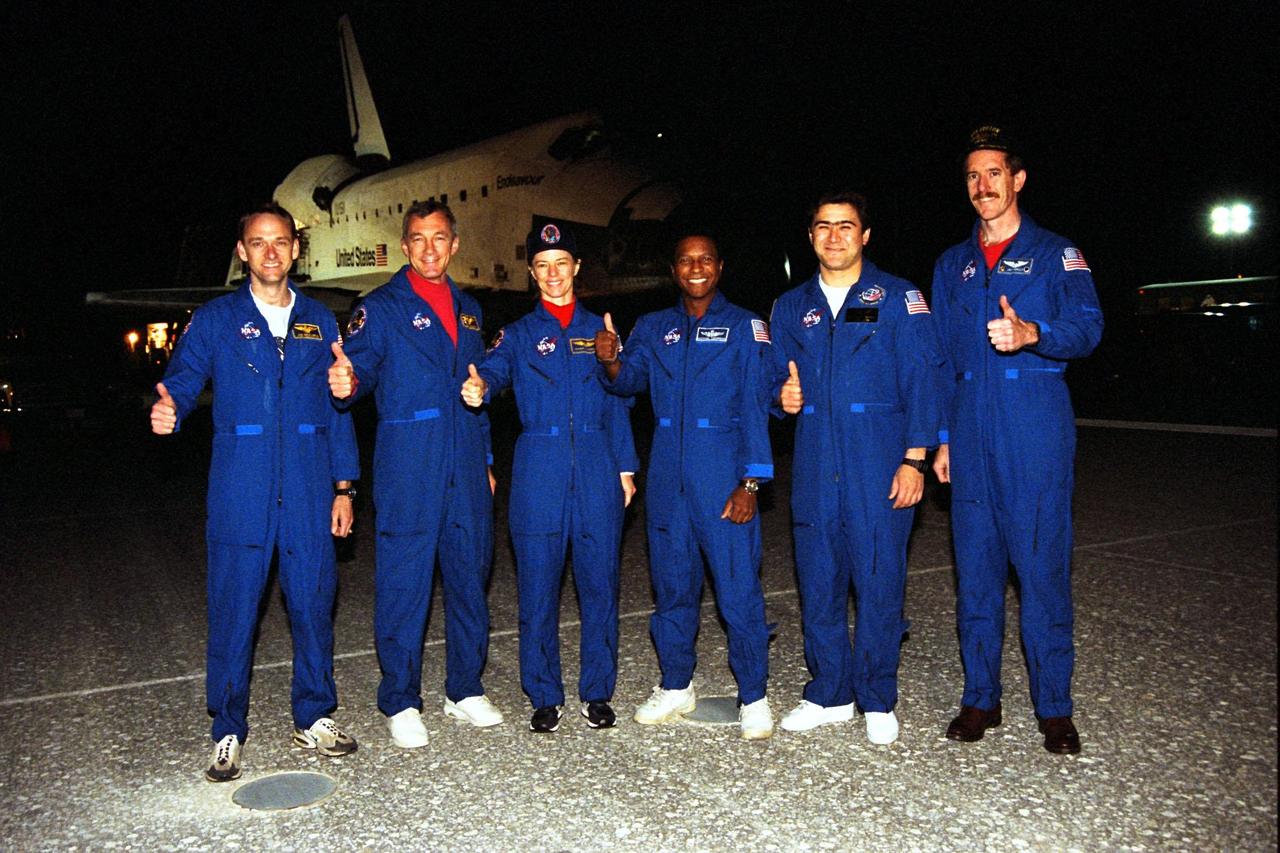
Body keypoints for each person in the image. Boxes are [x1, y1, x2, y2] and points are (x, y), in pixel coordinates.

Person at [150, 203, 359, 781]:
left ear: (296, 250)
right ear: (242, 252)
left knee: (314, 604)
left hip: (310, 487)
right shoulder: (216, 319)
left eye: (281, 242)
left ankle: (314, 715)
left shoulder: (321, 320)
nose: (271, 251)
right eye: (258, 242)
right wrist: (169, 406)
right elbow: (184, 378)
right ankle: (227, 729)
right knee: (234, 609)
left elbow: (337, 408)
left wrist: (344, 487)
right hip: (241, 488)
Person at [932, 125, 1103, 755]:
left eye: (994, 174)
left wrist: (1034, 332)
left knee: (1041, 571)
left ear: (1018, 179)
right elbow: (943, 358)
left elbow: (1088, 327)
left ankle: (1053, 706)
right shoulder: (952, 264)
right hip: (970, 433)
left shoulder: (1057, 253)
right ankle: (981, 698)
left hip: (1034, 429)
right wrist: (943, 437)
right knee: (975, 575)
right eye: (973, 176)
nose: (983, 186)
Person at [770, 192, 945, 745]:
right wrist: (782, 398)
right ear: (810, 236)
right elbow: (773, 383)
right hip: (817, 460)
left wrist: (915, 458)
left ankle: (877, 696)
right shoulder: (790, 306)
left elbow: (924, 380)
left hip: (879, 458)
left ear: (865, 235)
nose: (834, 236)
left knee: (878, 579)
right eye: (823, 226)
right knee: (819, 580)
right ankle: (829, 692)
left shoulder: (900, 297)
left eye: (846, 226)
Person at [328, 200, 503, 748]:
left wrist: (490, 461)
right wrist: (345, 383)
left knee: (470, 576)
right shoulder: (379, 308)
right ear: (404, 246)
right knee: (405, 583)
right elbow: (356, 372)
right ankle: (401, 699)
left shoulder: (471, 309)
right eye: (418, 239)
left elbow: (478, 389)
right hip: (410, 465)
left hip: (468, 463)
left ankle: (464, 689)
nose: (430, 248)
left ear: (454, 245)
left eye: (440, 238)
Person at [594, 234, 776, 740]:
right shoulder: (654, 327)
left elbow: (758, 407)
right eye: (685, 260)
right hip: (669, 475)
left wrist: (751, 481)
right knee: (673, 587)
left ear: (719, 267)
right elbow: (627, 382)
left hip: (723, 472)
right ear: (674, 270)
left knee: (738, 590)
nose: (695, 268)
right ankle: (677, 684)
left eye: (705, 260)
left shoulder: (745, 326)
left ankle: (755, 694)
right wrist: (609, 359)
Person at [460, 222, 638, 732]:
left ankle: (597, 691)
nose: (553, 274)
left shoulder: (601, 331)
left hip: (599, 467)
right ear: (532, 273)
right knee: (537, 586)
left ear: (577, 268)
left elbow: (620, 402)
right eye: (543, 265)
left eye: (562, 263)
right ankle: (543, 692)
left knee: (600, 584)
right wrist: (480, 390)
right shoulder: (516, 335)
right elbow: (491, 372)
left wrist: (626, 469)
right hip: (539, 468)